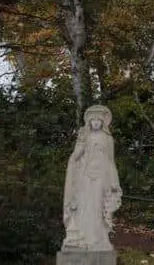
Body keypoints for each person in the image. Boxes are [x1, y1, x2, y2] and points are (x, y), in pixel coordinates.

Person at [61, 105, 122, 251]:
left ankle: (99, 239)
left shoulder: (108, 139)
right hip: (85, 176)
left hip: (102, 177)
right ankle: (82, 237)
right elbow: (75, 157)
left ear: (103, 122)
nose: (95, 122)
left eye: (98, 120)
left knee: (98, 206)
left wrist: (114, 181)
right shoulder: (85, 136)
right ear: (89, 122)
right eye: (93, 120)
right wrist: (81, 144)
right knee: (84, 205)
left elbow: (111, 161)